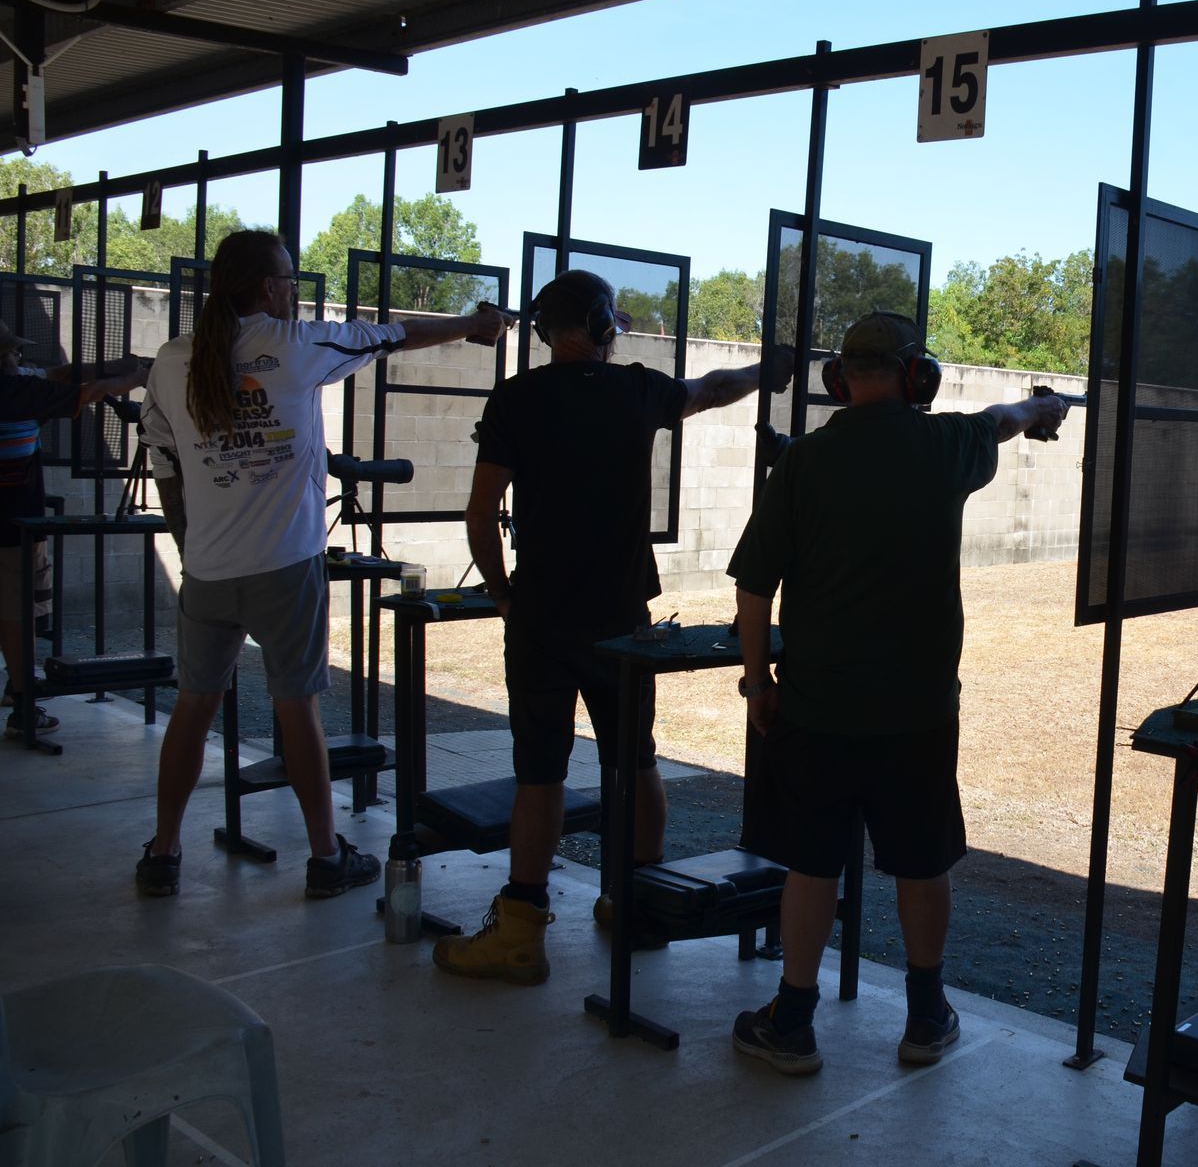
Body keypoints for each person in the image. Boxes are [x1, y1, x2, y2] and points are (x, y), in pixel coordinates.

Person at [725, 310, 1067, 1075]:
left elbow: (754, 590)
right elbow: (1000, 418)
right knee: (921, 863)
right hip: (916, 714)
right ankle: (924, 1016)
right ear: (919, 377)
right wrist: (1041, 410)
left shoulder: (805, 462)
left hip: (814, 708)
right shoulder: (946, 445)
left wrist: (758, 684)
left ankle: (793, 1022)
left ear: (839, 379)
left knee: (811, 866)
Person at [432, 268, 793, 985]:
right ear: (599, 326)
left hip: (540, 614)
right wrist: (769, 369)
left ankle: (522, 930)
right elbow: (714, 388)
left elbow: (480, 513)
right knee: (635, 759)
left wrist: (504, 595)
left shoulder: (517, 397)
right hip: (622, 615)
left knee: (540, 773)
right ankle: (636, 904)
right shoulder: (635, 388)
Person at [135, 229, 511, 900]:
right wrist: (471, 327)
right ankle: (323, 856)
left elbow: (164, 460)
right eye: (284, 277)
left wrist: (190, 542)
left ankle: (162, 853)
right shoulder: (294, 346)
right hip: (286, 567)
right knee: (297, 711)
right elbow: (390, 335)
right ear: (262, 286)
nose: (290, 288)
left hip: (209, 572)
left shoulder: (171, 361)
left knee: (192, 708)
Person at [0, 323, 149, 737]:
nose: (21, 360)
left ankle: (19, 691)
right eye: (13, 354)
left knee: (21, 611)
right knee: (17, 614)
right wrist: (133, 378)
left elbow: (61, 375)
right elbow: (83, 393)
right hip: (11, 526)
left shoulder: (18, 382)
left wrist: (115, 365)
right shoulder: (11, 391)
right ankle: (23, 703)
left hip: (20, 522)